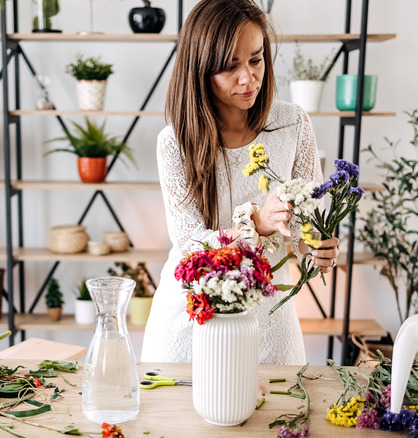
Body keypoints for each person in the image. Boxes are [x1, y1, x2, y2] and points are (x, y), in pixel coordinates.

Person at [140, 0, 340, 365]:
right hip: (189, 322)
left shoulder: (293, 124)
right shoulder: (175, 142)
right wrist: (256, 224)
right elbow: (189, 244)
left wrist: (315, 248)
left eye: (256, 59)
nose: (247, 78)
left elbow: (305, 223)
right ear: (199, 70)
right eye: (230, 66)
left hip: (269, 323)